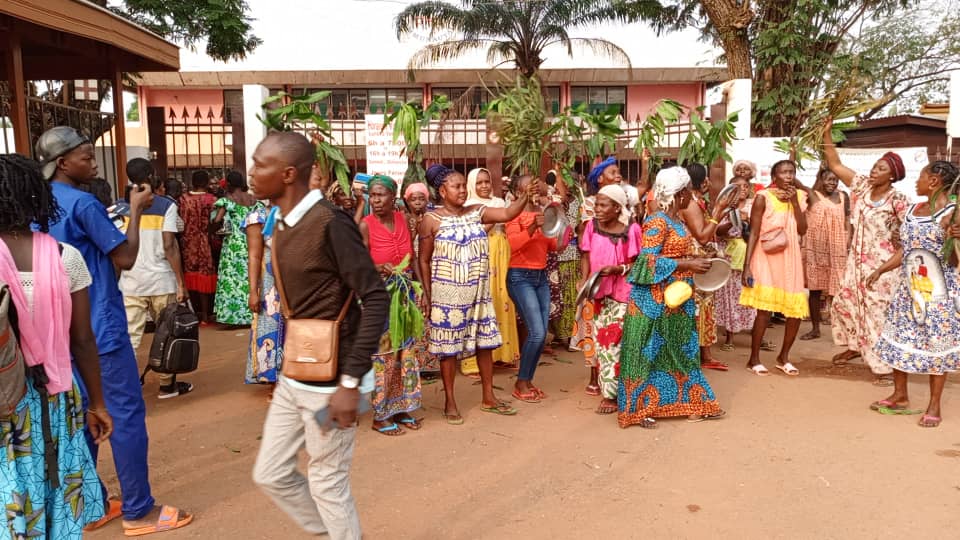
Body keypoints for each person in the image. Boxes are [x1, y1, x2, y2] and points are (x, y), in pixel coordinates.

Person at [35, 127, 192, 534]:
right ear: (63, 162)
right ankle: (140, 510)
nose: (92, 162)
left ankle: (91, 504)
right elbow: (124, 257)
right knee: (123, 415)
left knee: (81, 415)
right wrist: (136, 210)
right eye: (85, 156)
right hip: (99, 326)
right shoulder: (84, 203)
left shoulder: (35, 203)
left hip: (55, 331)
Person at [249, 131, 388, 540]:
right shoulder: (285, 223)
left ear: (288, 174)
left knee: (327, 482)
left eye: (261, 164)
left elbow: (375, 298)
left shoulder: (331, 225)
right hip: (296, 376)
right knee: (271, 473)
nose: (252, 172)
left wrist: (350, 383)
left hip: (333, 383)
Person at [0, 153, 113, 538]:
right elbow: (82, 339)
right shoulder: (67, 258)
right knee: (55, 489)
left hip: (4, 399)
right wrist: (97, 403)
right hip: (54, 396)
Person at [418, 164, 535, 424]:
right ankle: (450, 400)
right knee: (448, 350)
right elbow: (423, 260)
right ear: (442, 190)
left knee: (485, 343)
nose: (462, 191)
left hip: (479, 291)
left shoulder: (476, 212)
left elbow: (507, 212)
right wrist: (427, 294)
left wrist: (525, 195)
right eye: (456, 187)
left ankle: (488, 397)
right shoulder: (431, 219)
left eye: (463, 186)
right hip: (447, 294)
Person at [618, 167, 725, 428]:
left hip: (677, 299)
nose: (692, 195)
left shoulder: (677, 221)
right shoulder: (657, 221)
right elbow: (645, 262)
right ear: (679, 193)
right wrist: (686, 265)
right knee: (647, 353)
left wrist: (696, 263)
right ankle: (639, 409)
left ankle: (692, 403)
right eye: (687, 190)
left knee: (680, 351)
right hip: (653, 301)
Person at [868, 161, 960, 428]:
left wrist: (954, 237)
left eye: (921, 177)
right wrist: (881, 270)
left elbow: (954, 262)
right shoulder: (912, 210)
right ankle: (900, 394)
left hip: (938, 294)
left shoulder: (953, 214)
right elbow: (906, 250)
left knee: (936, 347)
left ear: (933, 181)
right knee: (901, 339)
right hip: (909, 290)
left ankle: (934, 404)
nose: (916, 182)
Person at [822, 121, 910, 385]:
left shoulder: (898, 200)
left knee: (876, 313)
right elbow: (835, 165)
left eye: (881, 168)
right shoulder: (860, 187)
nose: (874, 170)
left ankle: (883, 368)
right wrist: (826, 134)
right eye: (875, 165)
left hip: (882, 267)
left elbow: (911, 231)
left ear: (891, 176)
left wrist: (899, 238)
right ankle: (857, 347)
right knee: (844, 305)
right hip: (855, 263)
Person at [118, 158, 192, 399]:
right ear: (151, 174)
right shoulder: (166, 206)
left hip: (130, 282)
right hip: (161, 280)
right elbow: (170, 246)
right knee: (167, 332)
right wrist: (181, 283)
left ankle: (127, 386)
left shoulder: (118, 208)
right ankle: (166, 386)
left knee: (130, 337)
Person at [358, 175, 423, 436]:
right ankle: (380, 414)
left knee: (405, 351)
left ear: (393, 197)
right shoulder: (365, 225)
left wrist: (424, 291)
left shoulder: (403, 220)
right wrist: (378, 268)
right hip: (379, 293)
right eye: (372, 195)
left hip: (406, 292)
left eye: (380, 195)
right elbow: (358, 263)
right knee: (383, 353)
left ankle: (402, 406)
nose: (375, 200)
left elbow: (413, 257)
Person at [740, 160, 809, 376]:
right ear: (774, 176)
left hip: (790, 257)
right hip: (765, 257)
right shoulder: (763, 198)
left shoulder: (799, 197)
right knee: (764, 310)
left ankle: (783, 357)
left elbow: (803, 229)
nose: (789, 176)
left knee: (795, 310)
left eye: (792, 172)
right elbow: (754, 232)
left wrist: (795, 203)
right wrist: (747, 266)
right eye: (784, 172)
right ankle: (754, 359)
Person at [578, 184, 641, 414]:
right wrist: (584, 279)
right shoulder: (591, 227)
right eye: (597, 204)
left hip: (622, 293)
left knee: (611, 342)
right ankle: (612, 389)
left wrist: (619, 269)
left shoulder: (631, 229)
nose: (598, 209)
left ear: (617, 208)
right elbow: (585, 254)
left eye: (603, 205)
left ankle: (612, 396)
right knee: (600, 341)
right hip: (596, 292)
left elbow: (637, 263)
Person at [504, 175, 563, 404]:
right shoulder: (512, 213)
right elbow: (512, 245)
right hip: (520, 276)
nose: (535, 189)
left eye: (537, 185)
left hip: (540, 275)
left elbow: (550, 246)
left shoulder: (543, 211)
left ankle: (527, 380)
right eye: (531, 186)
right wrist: (532, 227)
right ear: (519, 190)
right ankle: (521, 382)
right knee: (537, 333)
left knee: (540, 334)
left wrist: (562, 237)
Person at [461, 168, 520, 376]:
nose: (484, 186)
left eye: (487, 181)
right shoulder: (468, 206)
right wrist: (493, 219)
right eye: (479, 183)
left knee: (503, 299)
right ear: (472, 186)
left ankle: (502, 355)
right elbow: (475, 234)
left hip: (502, 252)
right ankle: (474, 362)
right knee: (482, 303)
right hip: (481, 253)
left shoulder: (500, 202)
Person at [681, 163, 733, 371]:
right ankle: (696, 355)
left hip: (701, 258)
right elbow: (701, 236)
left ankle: (705, 353)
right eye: (707, 179)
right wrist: (718, 212)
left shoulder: (697, 201)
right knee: (695, 308)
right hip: (693, 259)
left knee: (705, 307)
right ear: (702, 182)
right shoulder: (691, 203)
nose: (709, 183)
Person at [799, 168, 850, 340]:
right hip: (816, 248)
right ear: (821, 179)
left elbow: (847, 220)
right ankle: (815, 328)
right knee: (815, 290)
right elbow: (796, 183)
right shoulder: (812, 195)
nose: (832, 183)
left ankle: (842, 330)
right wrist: (792, 151)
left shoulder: (843, 197)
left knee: (838, 290)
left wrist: (848, 240)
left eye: (835, 180)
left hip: (837, 247)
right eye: (829, 179)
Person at [211, 171, 261, 326]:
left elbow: (217, 220)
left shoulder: (227, 201)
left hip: (233, 245)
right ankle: (249, 315)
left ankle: (233, 318)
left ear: (229, 184)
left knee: (232, 280)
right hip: (251, 242)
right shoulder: (254, 200)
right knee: (249, 278)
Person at [714, 175, 757, 351]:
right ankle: (730, 336)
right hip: (730, 259)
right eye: (738, 186)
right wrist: (734, 219)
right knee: (731, 297)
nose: (743, 189)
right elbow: (717, 231)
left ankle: (756, 335)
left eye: (746, 186)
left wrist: (747, 221)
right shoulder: (724, 208)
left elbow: (755, 232)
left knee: (750, 296)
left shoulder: (753, 206)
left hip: (748, 258)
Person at [244, 203, 283, 385]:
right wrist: (253, 291)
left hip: (296, 282)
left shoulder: (298, 210)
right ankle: (272, 378)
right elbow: (254, 255)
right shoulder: (257, 217)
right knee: (270, 328)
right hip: (270, 286)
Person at [179, 170, 218, 324]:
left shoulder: (183, 199)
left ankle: (192, 313)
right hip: (205, 241)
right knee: (204, 276)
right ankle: (206, 315)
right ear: (207, 182)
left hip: (188, 241)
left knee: (189, 274)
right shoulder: (212, 200)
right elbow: (215, 222)